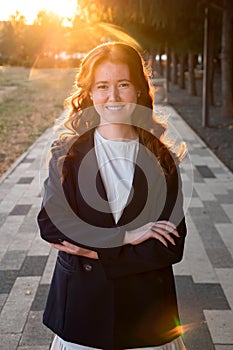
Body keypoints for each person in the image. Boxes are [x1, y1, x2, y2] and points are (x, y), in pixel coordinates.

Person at [37, 42, 187, 350]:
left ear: (138, 91)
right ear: (90, 93)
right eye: (103, 86)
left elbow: (170, 247)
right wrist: (127, 237)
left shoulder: (161, 159)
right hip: (81, 313)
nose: (113, 97)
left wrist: (93, 252)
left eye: (123, 85)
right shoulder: (66, 154)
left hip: (145, 316)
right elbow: (52, 226)